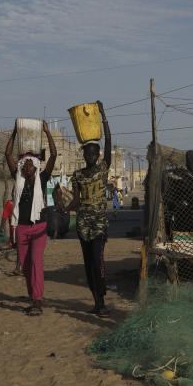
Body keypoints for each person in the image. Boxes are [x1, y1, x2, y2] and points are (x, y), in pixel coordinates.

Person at [5, 120, 57, 315]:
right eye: (24, 164)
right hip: (22, 228)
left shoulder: (42, 179)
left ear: (35, 166)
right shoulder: (18, 179)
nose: (26, 167)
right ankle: (33, 295)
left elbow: (54, 155)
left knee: (36, 262)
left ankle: (37, 301)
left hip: (39, 227)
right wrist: (14, 131)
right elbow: (8, 154)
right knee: (26, 266)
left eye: (29, 164)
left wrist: (47, 131)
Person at [68, 101, 112, 316]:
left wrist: (103, 116)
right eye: (88, 154)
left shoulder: (103, 169)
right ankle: (96, 300)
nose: (91, 157)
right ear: (84, 155)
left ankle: (102, 299)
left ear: (98, 154)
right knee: (88, 264)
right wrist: (64, 208)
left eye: (94, 154)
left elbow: (110, 143)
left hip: (100, 225)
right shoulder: (77, 175)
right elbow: (76, 200)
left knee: (97, 260)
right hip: (83, 225)